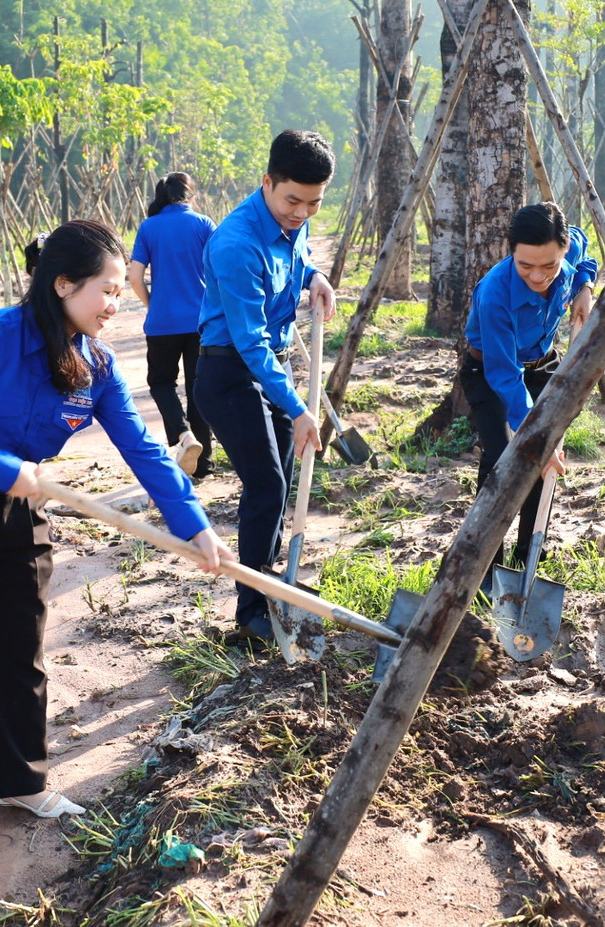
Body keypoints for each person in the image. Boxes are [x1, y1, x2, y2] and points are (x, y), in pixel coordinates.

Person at [0, 219, 234, 875]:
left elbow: (145, 450)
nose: (116, 303)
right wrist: (1, 468)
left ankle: (20, 778)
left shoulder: (98, 365)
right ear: (63, 284)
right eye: (107, 290)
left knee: (21, 642)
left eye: (120, 291)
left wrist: (192, 523)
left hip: (20, 506)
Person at [193, 129, 337, 644]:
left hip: (266, 367)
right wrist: (300, 408)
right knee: (268, 484)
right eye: (292, 200)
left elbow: (294, 261)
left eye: (314, 203)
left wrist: (312, 276)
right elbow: (250, 344)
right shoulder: (236, 243)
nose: (301, 213)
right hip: (229, 372)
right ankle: (250, 613)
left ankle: (268, 585)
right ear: (267, 183)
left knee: (278, 486)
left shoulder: (292, 224)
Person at [460, 202, 598, 582]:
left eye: (550, 266)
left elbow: (587, 252)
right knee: (501, 461)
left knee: (545, 465)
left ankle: (527, 560)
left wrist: (584, 286)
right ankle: (486, 565)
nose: (538, 276)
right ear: (511, 252)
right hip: (490, 372)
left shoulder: (570, 247)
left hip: (544, 367)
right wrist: (537, 434)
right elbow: (504, 376)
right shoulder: (493, 294)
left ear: (563, 247)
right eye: (526, 266)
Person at [127, 172, 217, 478]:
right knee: (198, 389)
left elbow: (134, 277)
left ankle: (182, 435)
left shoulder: (149, 227)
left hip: (162, 323)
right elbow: (221, 267)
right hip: (202, 323)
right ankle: (203, 465)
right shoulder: (204, 224)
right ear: (191, 195)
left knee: (161, 383)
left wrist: (153, 304)